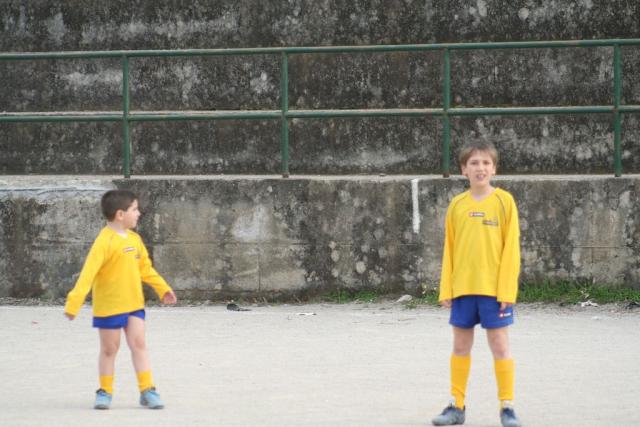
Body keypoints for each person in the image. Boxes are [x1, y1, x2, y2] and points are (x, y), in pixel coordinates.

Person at [432, 141, 522, 427]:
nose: (480, 168)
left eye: (485, 163)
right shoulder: (457, 205)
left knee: (500, 345)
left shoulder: (504, 202)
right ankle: (456, 405)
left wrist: (507, 290)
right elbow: (449, 249)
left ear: (494, 169)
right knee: (460, 346)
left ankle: (507, 407)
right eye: (474, 163)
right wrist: (446, 288)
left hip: (494, 291)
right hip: (463, 289)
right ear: (464, 169)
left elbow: (511, 250)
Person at [64, 189, 177, 410]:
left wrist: (162, 288)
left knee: (139, 344)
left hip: (134, 304)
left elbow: (145, 269)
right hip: (109, 307)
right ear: (120, 214)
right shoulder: (103, 242)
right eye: (134, 209)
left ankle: (147, 390)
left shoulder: (135, 239)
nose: (139, 213)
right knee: (110, 349)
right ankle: (105, 391)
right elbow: (87, 274)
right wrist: (73, 303)